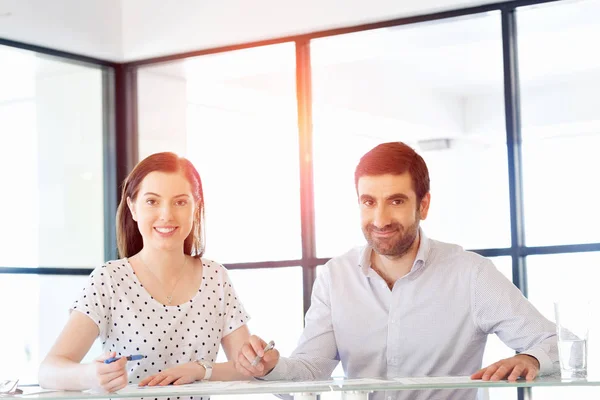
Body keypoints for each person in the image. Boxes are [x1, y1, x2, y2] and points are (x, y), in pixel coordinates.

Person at [234, 142, 558, 399]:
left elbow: (552, 341)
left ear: (424, 205)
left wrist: (529, 359)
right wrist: (272, 366)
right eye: (369, 202)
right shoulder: (336, 277)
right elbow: (310, 369)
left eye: (397, 201)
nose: (380, 220)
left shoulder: (470, 274)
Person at [39, 152, 251, 394]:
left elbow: (246, 367)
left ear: (196, 207)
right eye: (152, 201)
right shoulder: (109, 279)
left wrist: (200, 369)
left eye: (180, 202)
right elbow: (48, 370)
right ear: (133, 207)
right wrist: (90, 375)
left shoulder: (216, 277)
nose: (166, 215)